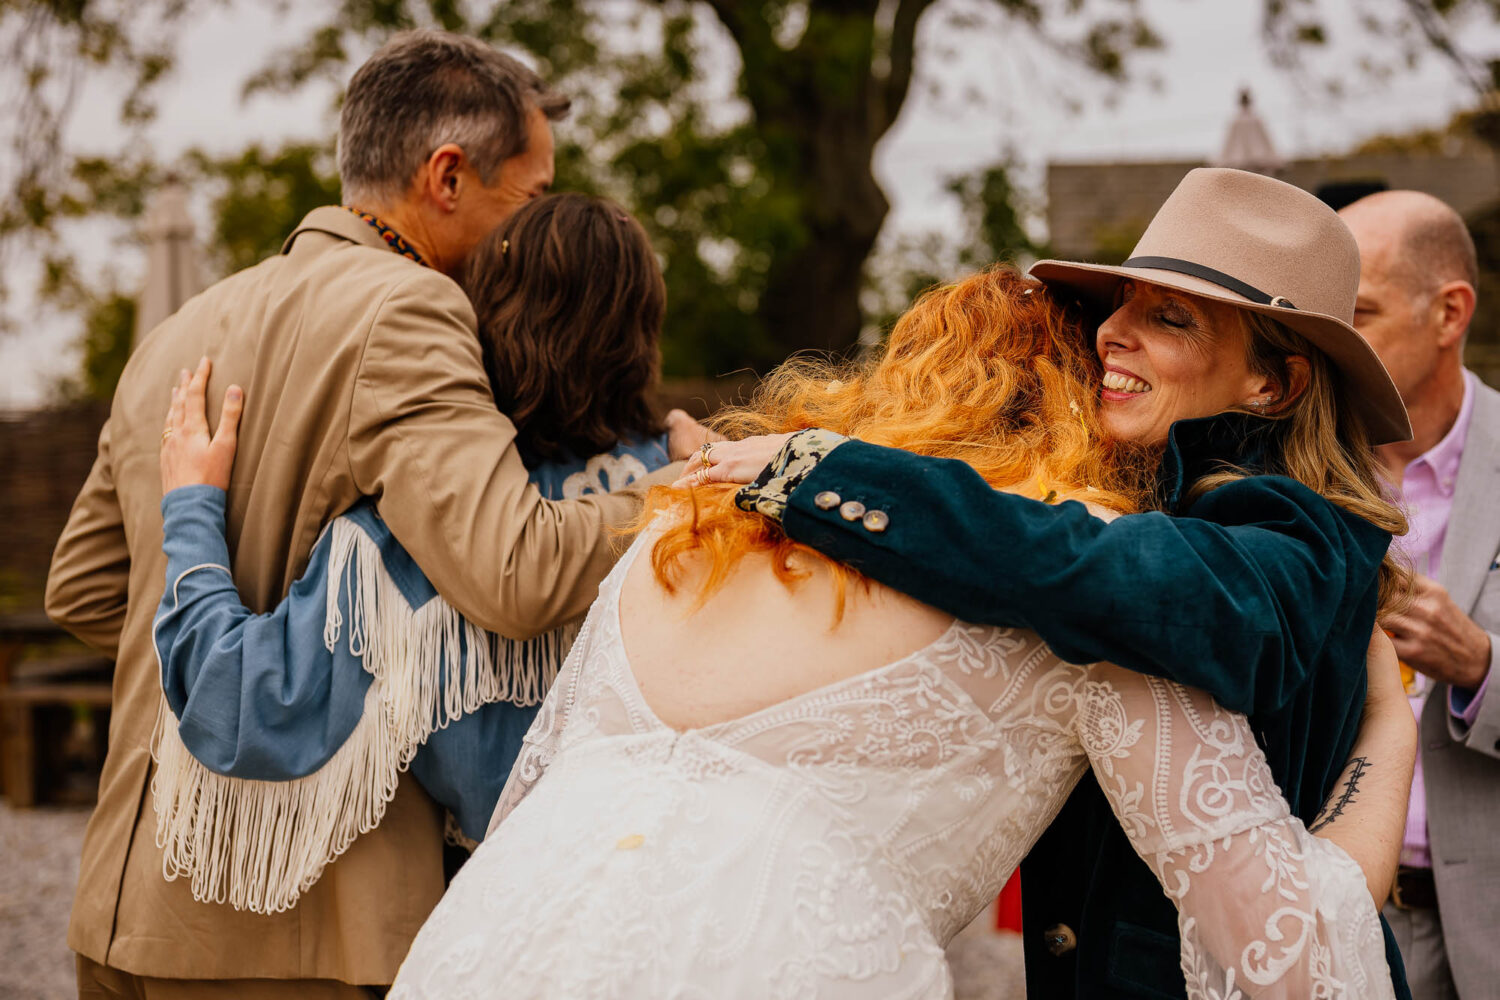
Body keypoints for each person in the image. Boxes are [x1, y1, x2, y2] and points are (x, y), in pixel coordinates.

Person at [365, 267, 1408, 998]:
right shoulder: (1075, 593)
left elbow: (535, 791)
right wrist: (1389, 728)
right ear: (1084, 400)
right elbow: (1283, 949)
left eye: (1164, 322)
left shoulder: (687, 528)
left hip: (485, 950)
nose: (1123, 345)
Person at [46, 32, 683, 998]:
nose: (536, 222)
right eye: (532, 192)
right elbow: (514, 574)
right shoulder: (411, 311)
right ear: (448, 175)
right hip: (297, 927)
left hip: (122, 906)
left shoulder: (182, 331)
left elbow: (89, 590)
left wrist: (233, 623)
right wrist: (689, 490)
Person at [693, 167, 1417, 998]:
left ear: (1271, 383)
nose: (1112, 334)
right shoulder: (1143, 493)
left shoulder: (1304, 532)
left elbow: (1115, 574)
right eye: (1121, 304)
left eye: (1168, 318)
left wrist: (831, 475)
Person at [148, 192, 673, 913]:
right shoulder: (701, 504)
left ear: (484, 317)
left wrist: (192, 510)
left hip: (504, 924)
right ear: (642, 330)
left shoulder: (411, 539)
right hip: (670, 905)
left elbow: (239, 706)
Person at [1340, 189, 1500, 1000]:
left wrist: (1481, 666)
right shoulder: (1294, 483)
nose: (1335, 341)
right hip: (1344, 926)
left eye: (1358, 312)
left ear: (1449, 313)